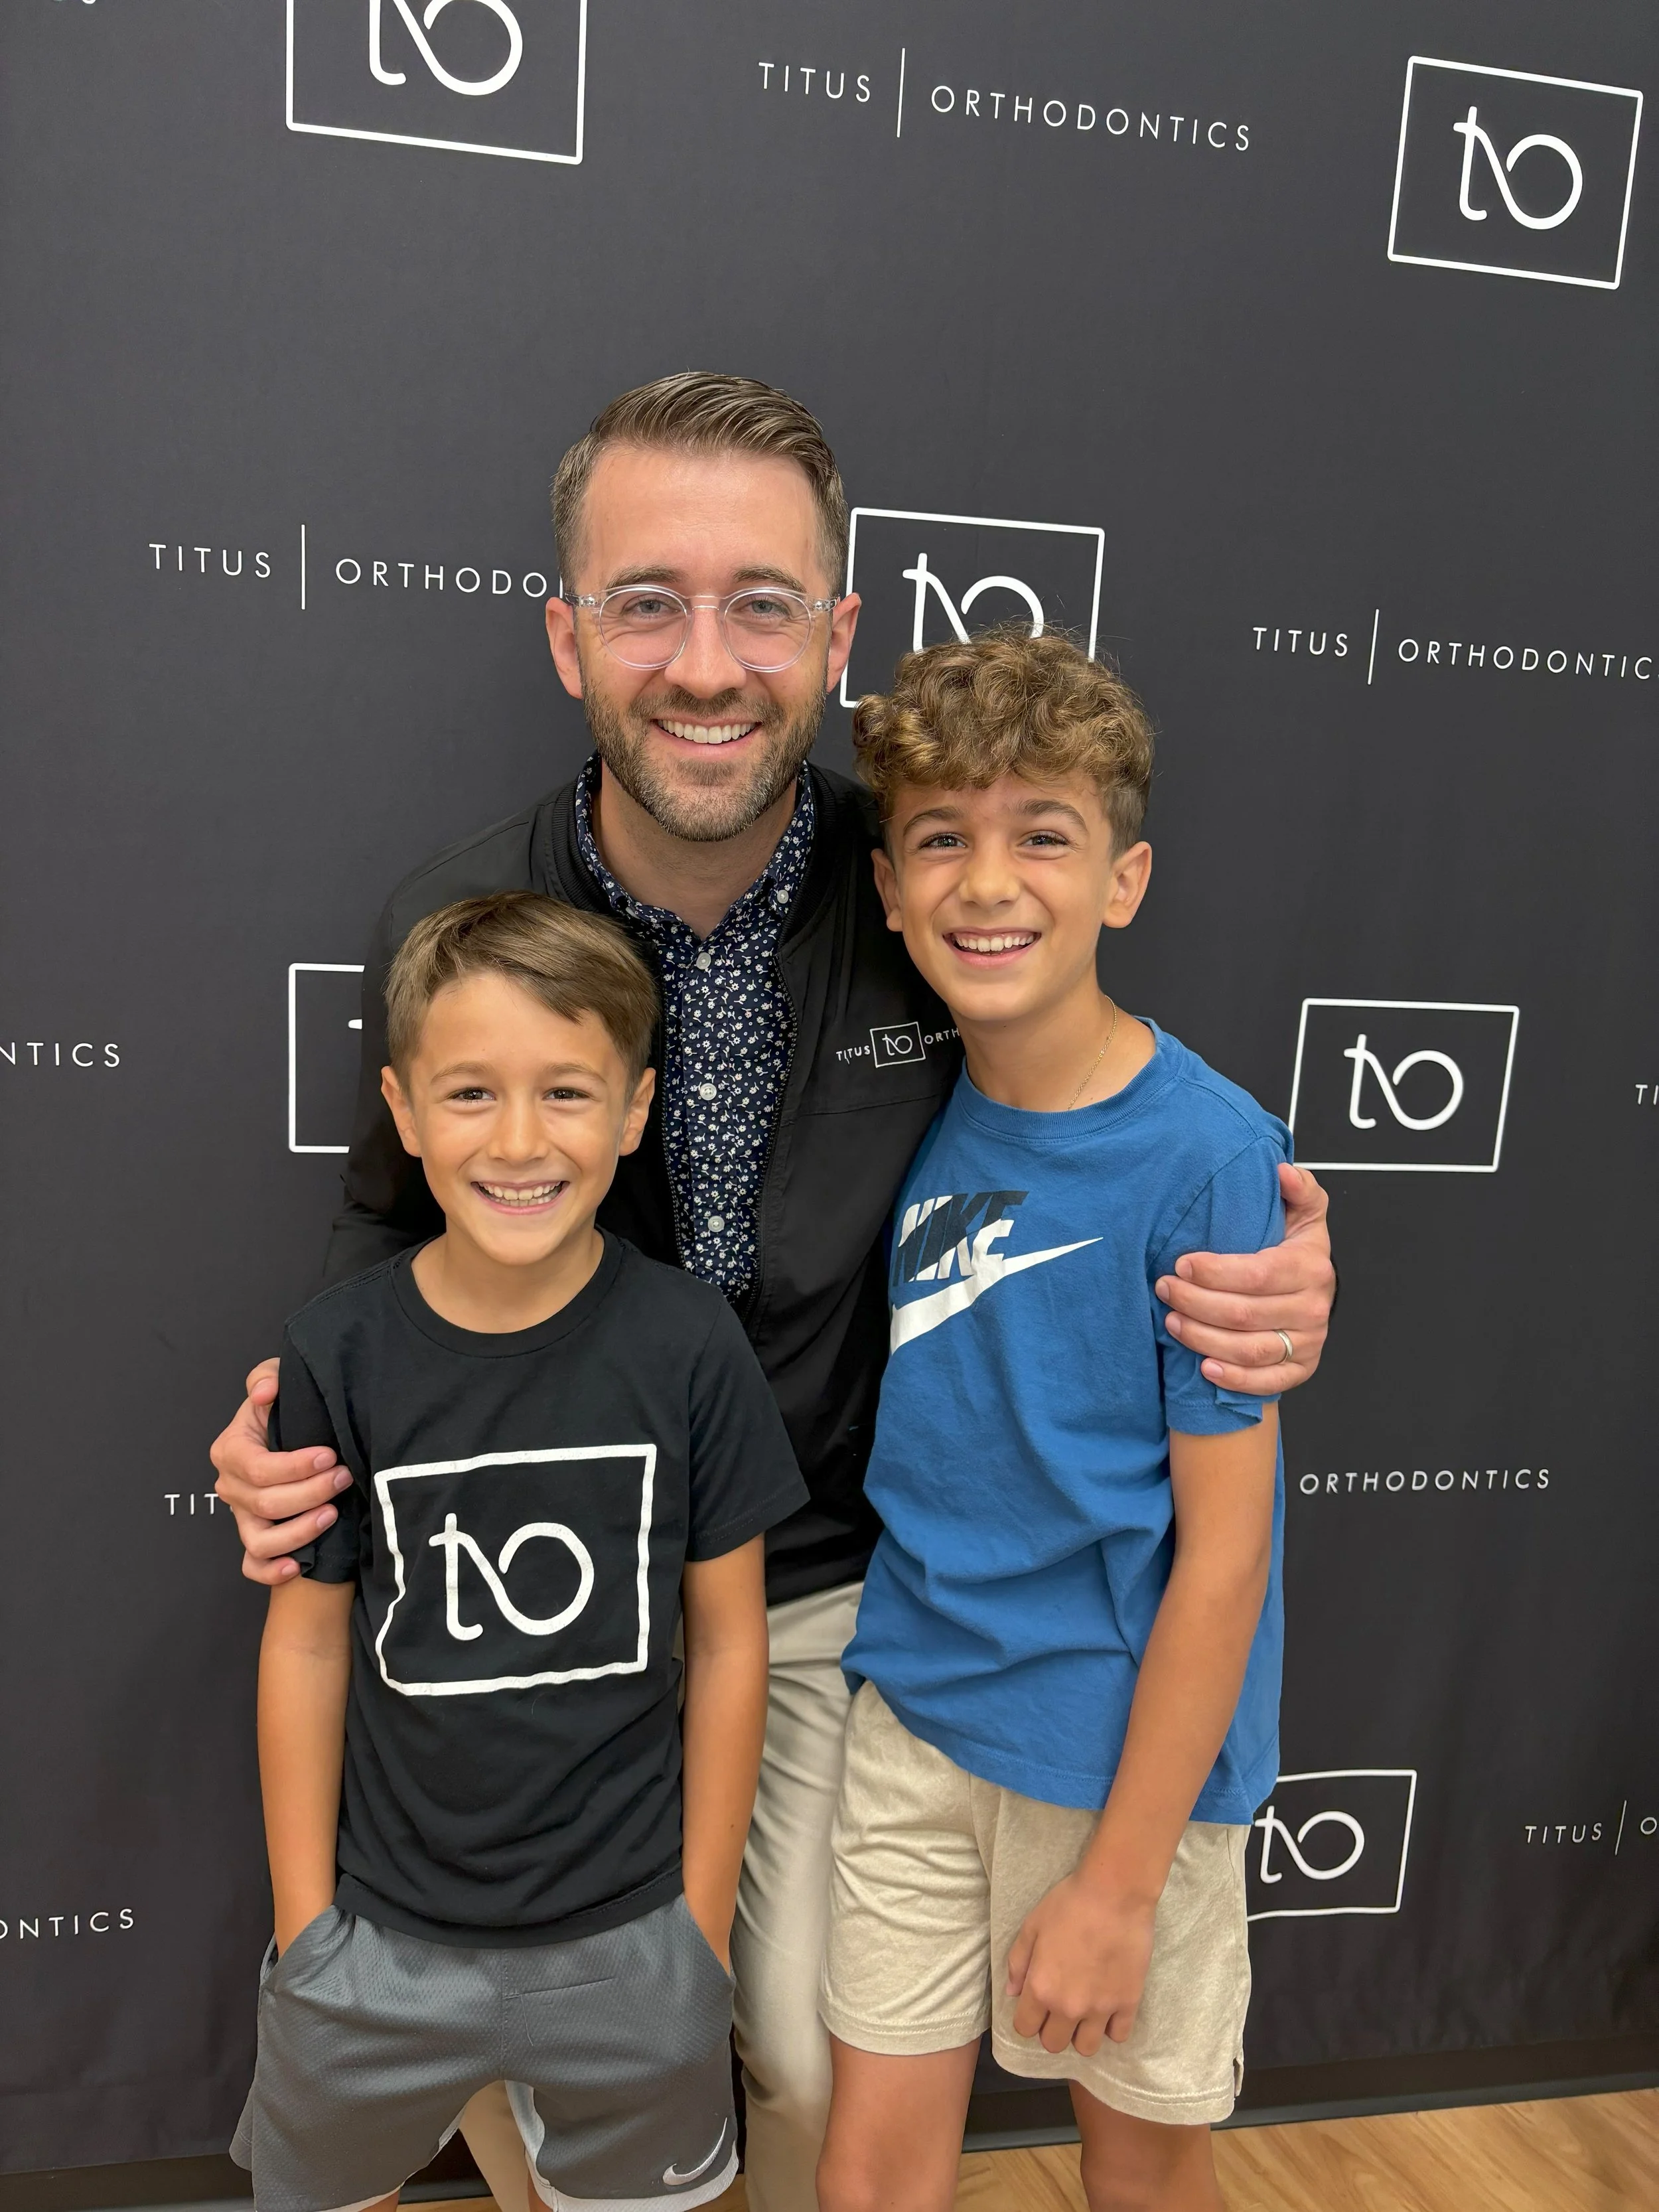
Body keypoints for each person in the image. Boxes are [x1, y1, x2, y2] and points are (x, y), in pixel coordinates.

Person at [212, 373, 1338, 2211]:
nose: (706, 664)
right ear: (568, 632)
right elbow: (372, 1237)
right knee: (486, 2005)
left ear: (837, 629)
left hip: (822, 1577)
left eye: (759, 604)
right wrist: (294, 1445)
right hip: (532, 1571)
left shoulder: (919, 881)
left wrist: (1283, 1269)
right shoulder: (464, 908)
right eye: (648, 601)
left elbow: (1107, 1129)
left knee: (816, 2056)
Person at [232, 891, 806, 2212]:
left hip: (627, 1934)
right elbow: (308, 1639)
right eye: (471, 1092)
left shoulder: (686, 1346)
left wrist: (699, 1928)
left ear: (635, 1110)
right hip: (372, 1943)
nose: (518, 1138)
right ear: (406, 1108)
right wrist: (305, 1927)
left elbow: (727, 1639)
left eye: (565, 1091)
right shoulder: (338, 1349)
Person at [814, 629, 1287, 2212]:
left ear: (1124, 880)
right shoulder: (917, 1103)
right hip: (915, 1715)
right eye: (940, 837)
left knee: (1140, 2181)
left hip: (1122, 1766)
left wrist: (1122, 1879)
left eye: (1043, 836)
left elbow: (1224, 1562)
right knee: (871, 2175)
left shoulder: (1209, 1155)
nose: (985, 882)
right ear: (887, 889)